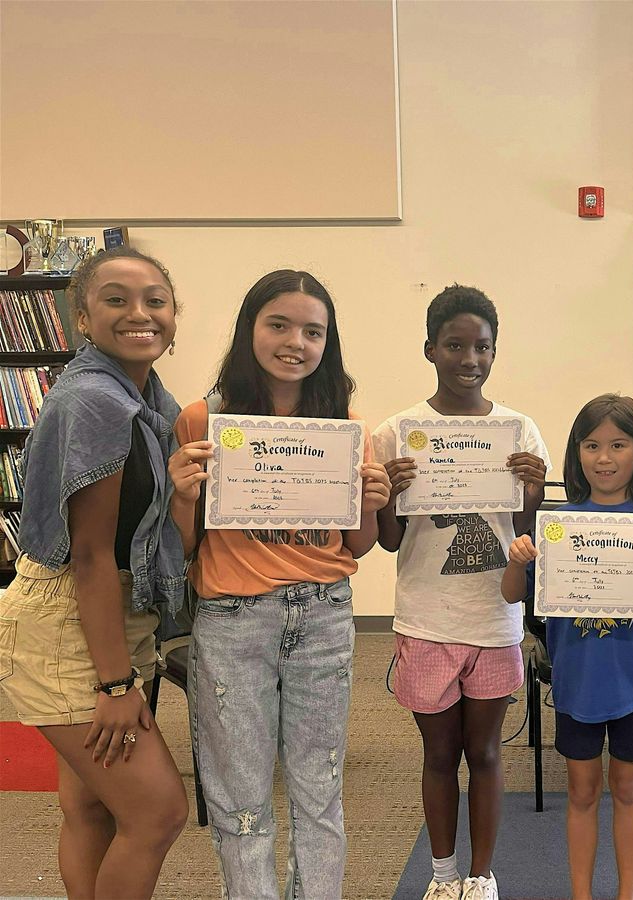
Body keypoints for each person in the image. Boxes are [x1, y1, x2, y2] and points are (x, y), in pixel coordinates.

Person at [170, 270, 391, 899]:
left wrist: (371, 504)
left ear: (328, 343)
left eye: (313, 332)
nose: (296, 342)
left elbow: (355, 546)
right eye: (279, 325)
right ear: (250, 329)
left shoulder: (344, 424)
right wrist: (182, 496)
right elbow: (181, 549)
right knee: (240, 798)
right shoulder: (203, 419)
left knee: (320, 791)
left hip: (323, 616)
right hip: (234, 620)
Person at [0, 246, 190, 898]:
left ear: (174, 316)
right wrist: (114, 684)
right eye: (116, 299)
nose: (140, 313)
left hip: (112, 610)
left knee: (91, 806)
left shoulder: (145, 398)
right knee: (158, 813)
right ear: (82, 317)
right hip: (71, 621)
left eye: (155, 300)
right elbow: (88, 556)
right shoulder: (96, 402)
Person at [373, 284, 549, 900]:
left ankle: (482, 876)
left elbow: (526, 535)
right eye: (454, 345)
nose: (469, 359)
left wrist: (533, 490)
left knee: (487, 754)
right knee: (439, 756)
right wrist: (389, 492)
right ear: (430, 348)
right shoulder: (396, 433)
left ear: (495, 352)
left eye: (482, 347)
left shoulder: (519, 431)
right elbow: (389, 541)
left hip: (494, 617)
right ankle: (443, 874)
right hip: (426, 618)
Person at [500, 393, 633, 900]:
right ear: (577, 453)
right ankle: (581, 893)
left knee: (630, 790)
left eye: (618, 445)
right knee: (582, 791)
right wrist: (517, 561)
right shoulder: (558, 525)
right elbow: (510, 594)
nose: (605, 458)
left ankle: (627, 893)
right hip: (576, 684)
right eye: (592, 445)